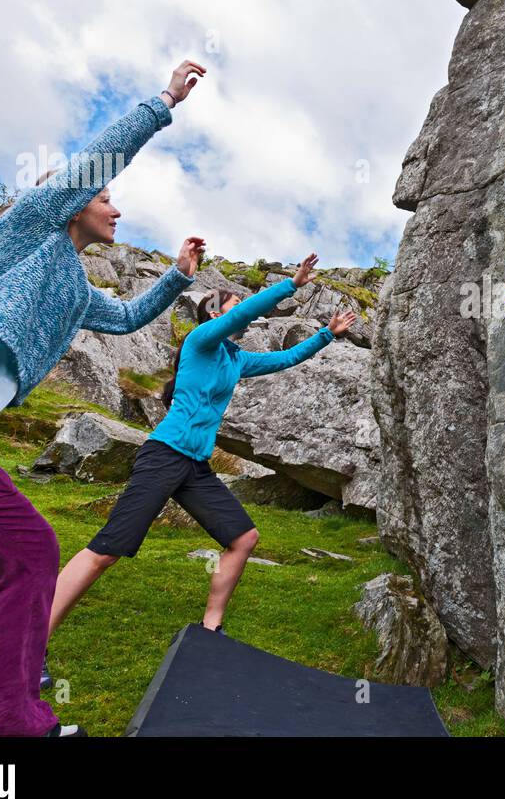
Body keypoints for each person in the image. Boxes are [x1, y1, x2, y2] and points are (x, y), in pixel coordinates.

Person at [0, 59, 209, 736]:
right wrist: (164, 101)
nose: (117, 207)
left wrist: (174, 276)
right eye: (106, 198)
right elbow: (91, 163)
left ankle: (15, 723)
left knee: (29, 551)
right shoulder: (23, 237)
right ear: (73, 200)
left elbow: (130, 318)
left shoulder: (75, 289)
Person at [44, 254, 356, 681]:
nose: (240, 308)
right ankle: (33, 642)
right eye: (232, 304)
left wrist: (326, 335)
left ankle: (212, 628)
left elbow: (284, 360)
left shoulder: (235, 359)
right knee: (108, 550)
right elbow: (247, 310)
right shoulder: (201, 341)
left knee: (243, 537)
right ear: (214, 312)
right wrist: (292, 285)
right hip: (163, 455)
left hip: (195, 466)